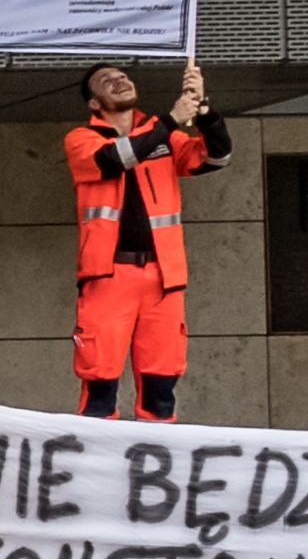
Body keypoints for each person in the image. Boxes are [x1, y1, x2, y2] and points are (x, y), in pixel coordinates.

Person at [66, 59, 224, 421]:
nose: (120, 81)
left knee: (161, 383)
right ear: (94, 103)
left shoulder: (163, 135)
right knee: (99, 383)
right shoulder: (81, 139)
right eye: (107, 81)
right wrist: (170, 120)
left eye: (123, 76)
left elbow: (217, 157)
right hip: (108, 276)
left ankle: (155, 469)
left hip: (163, 279)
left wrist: (203, 109)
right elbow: (115, 158)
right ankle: (95, 468)